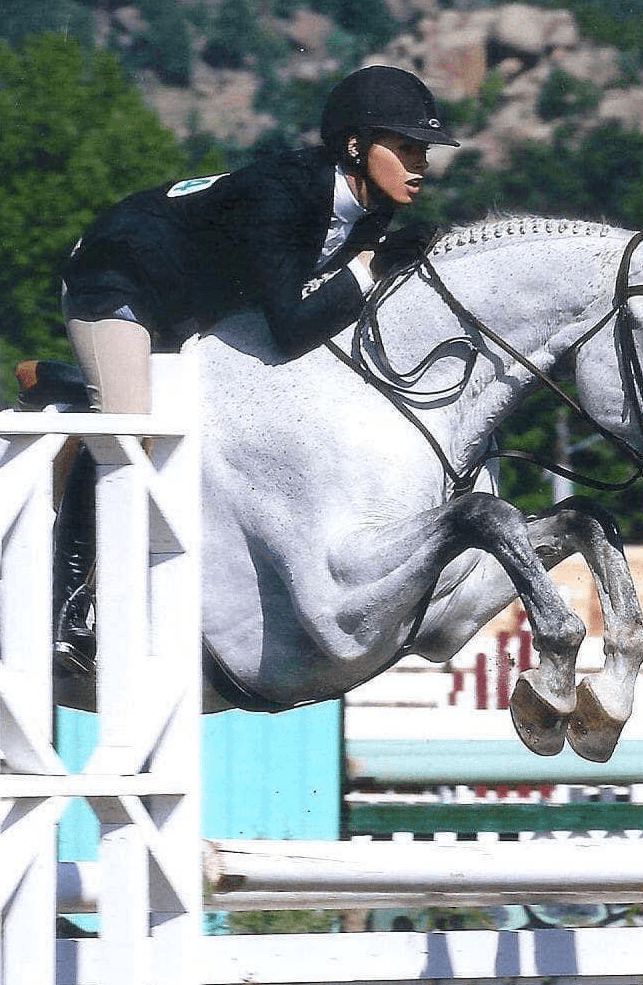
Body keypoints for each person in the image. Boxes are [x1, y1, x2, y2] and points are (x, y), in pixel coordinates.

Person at [51, 64, 459, 675]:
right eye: (404, 148)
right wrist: (370, 271)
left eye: (422, 150)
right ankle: (71, 607)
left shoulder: (373, 207)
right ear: (355, 145)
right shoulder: (282, 195)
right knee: (127, 427)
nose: (420, 164)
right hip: (118, 279)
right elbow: (292, 327)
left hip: (194, 300)